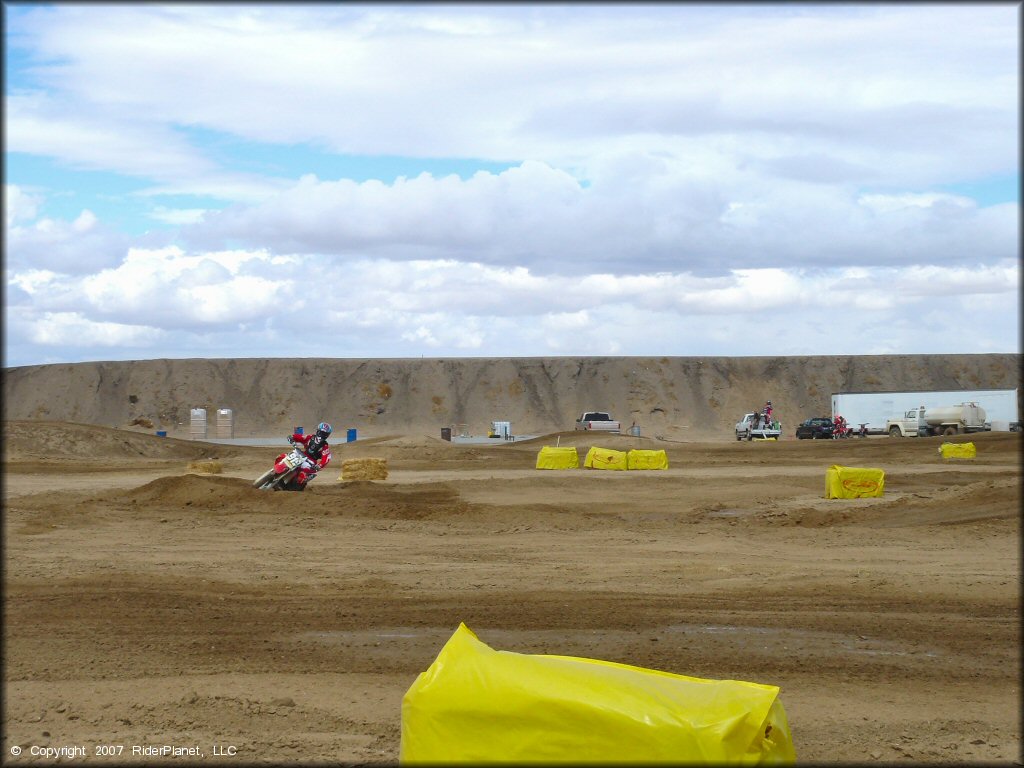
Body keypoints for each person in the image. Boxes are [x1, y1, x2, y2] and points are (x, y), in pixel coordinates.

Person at [285, 421, 333, 491]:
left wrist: (319, 465)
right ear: (318, 431)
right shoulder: (310, 437)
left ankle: (296, 487)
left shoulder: (324, 446)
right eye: (321, 432)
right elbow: (301, 437)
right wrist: (292, 437)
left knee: (303, 474)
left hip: (311, 462)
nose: (321, 435)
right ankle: (277, 470)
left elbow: (326, 458)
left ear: (327, 435)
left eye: (324, 434)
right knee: (285, 456)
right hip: (301, 454)